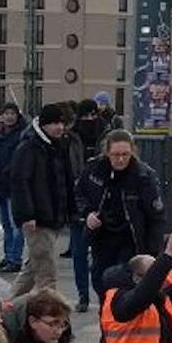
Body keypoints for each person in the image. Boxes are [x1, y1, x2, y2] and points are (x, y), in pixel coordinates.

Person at [79, 129, 167, 296]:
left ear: (132, 152)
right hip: (102, 236)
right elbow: (79, 195)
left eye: (125, 154)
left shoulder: (144, 176)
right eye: (115, 155)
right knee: (101, 281)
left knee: (123, 285)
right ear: (107, 152)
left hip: (131, 239)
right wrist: (88, 213)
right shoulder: (94, 169)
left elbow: (157, 217)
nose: (120, 159)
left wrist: (153, 252)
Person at [9, 102, 77, 298]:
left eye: (62, 123)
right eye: (55, 123)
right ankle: (51, 317)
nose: (60, 127)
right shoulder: (29, 147)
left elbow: (66, 181)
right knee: (46, 276)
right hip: (39, 220)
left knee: (32, 270)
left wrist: (71, 210)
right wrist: (27, 215)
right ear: (44, 125)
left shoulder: (58, 146)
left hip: (53, 218)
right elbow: (20, 182)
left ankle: (4, 310)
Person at [62, 99, 108, 310]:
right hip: (76, 203)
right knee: (79, 253)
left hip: (103, 205)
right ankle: (83, 295)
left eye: (92, 115)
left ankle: (102, 294)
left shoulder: (107, 135)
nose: (89, 119)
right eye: (85, 116)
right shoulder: (70, 138)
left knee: (100, 255)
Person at [0, 101, 26, 273]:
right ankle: (7, 257)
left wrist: (8, 171)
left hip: (13, 187)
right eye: (6, 113)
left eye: (12, 113)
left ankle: (15, 259)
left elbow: (20, 159)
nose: (9, 117)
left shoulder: (21, 135)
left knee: (16, 226)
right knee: (6, 225)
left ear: (17, 116)